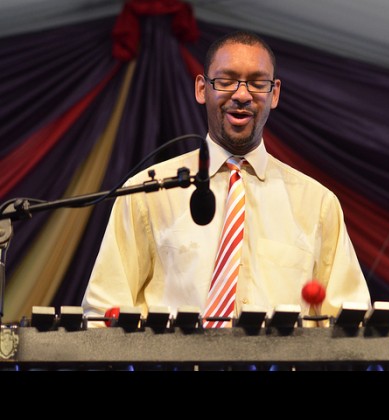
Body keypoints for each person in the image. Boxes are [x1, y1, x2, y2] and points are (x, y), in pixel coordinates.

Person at [81, 30, 371, 327]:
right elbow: (104, 314)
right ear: (201, 88)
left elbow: (351, 322)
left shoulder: (318, 204)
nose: (242, 95)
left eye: (258, 83)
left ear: (275, 94)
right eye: (226, 80)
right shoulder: (146, 192)